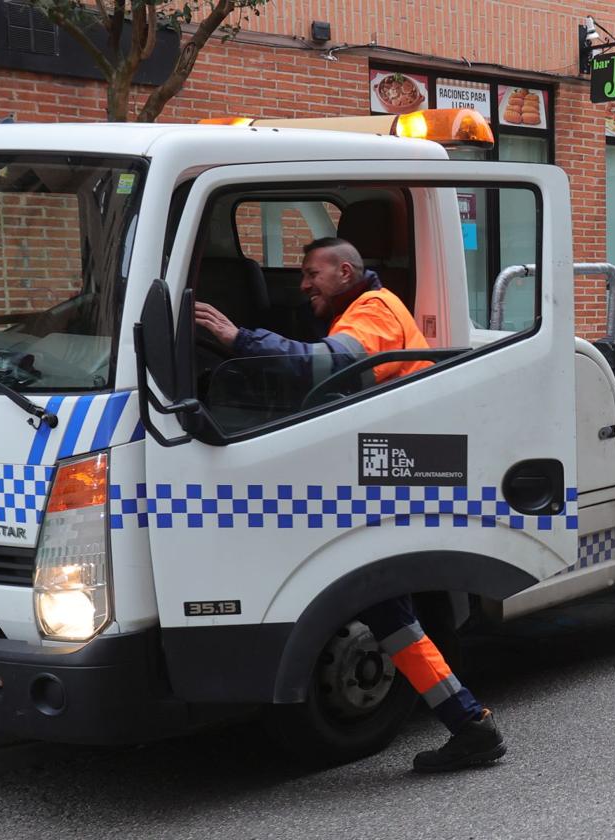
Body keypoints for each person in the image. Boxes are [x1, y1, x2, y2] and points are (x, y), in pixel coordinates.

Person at [195, 237, 506, 773]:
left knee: (388, 606)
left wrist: (237, 337)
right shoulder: (356, 311)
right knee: (394, 612)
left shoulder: (375, 311)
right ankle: (467, 720)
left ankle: (469, 721)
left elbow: (330, 367)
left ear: (345, 270)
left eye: (312, 274)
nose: (304, 285)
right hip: (387, 473)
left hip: (395, 474)